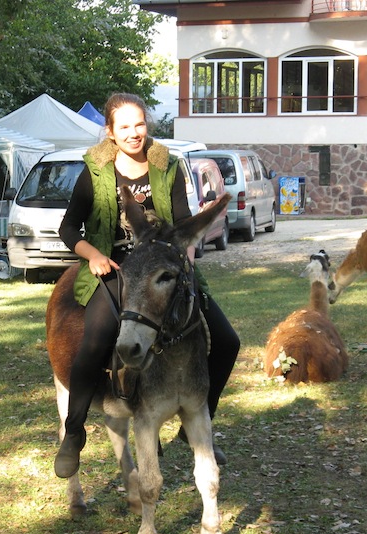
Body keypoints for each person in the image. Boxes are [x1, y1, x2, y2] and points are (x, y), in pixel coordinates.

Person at [54, 92, 240, 479]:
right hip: (116, 268)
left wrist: (184, 267)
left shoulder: (168, 166)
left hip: (167, 266)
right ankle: (73, 433)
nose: (133, 132)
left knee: (226, 341)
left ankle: (202, 425)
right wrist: (92, 256)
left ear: (147, 126)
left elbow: (185, 221)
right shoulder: (96, 170)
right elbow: (68, 227)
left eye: (139, 124)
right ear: (110, 131)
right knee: (94, 341)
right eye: (124, 126)